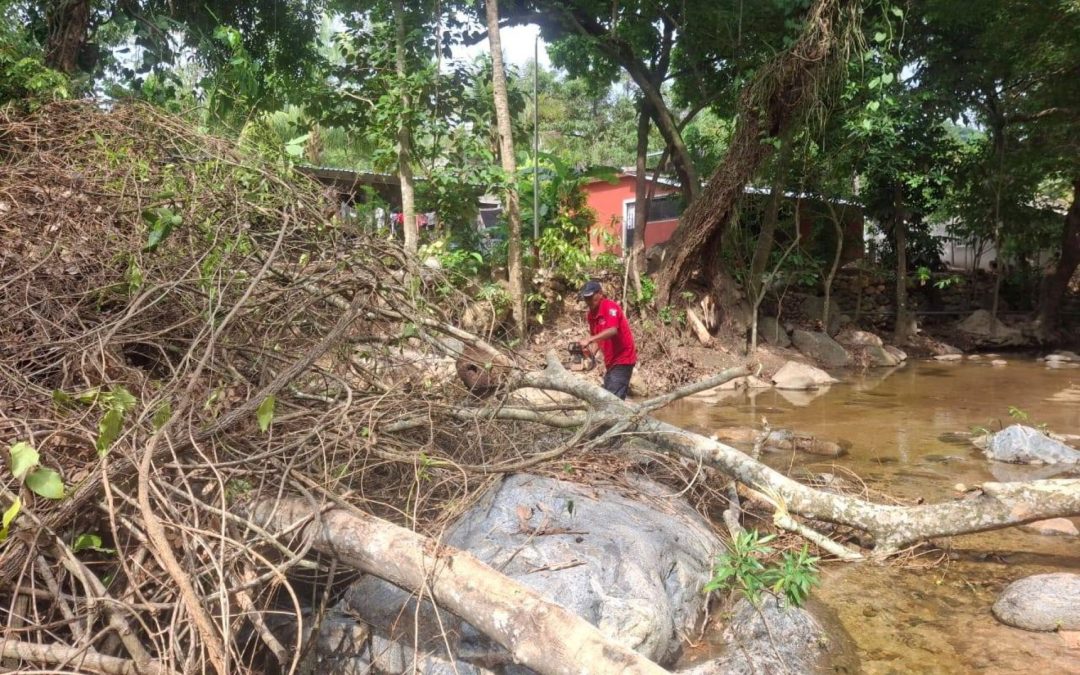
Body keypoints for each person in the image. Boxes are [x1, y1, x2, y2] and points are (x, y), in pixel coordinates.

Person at [577, 280, 637, 399]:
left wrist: (589, 339)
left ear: (600, 293)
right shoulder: (591, 315)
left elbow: (612, 330)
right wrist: (589, 353)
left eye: (590, 297)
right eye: (586, 299)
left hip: (623, 359)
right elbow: (598, 340)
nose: (588, 302)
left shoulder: (610, 307)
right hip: (611, 362)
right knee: (609, 397)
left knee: (612, 400)